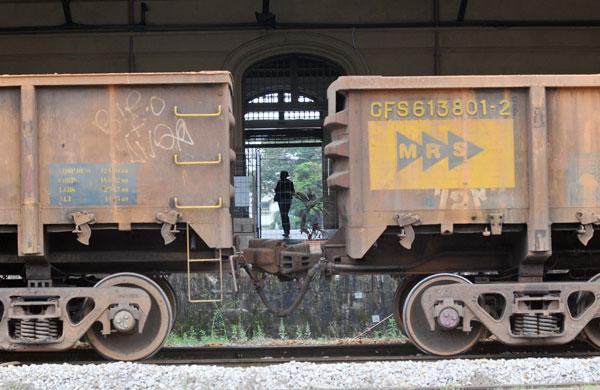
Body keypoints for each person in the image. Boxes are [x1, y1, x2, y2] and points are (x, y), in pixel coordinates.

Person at [274, 170, 295, 238]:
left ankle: (286, 230)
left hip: (281, 200)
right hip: (288, 200)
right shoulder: (290, 182)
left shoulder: (280, 182)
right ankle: (287, 230)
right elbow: (293, 192)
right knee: (285, 214)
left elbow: (276, 190)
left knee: (283, 215)